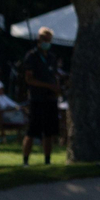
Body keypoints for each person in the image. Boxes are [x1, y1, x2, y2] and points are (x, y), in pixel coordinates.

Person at [21, 26, 61, 166]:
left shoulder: (51, 57)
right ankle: (25, 161)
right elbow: (29, 79)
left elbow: (54, 75)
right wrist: (48, 86)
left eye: (49, 40)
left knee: (49, 132)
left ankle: (47, 160)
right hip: (37, 98)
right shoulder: (31, 56)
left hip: (50, 99)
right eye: (45, 39)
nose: (47, 43)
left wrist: (56, 87)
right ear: (39, 39)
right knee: (32, 131)